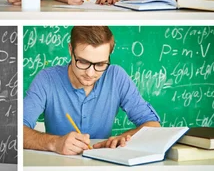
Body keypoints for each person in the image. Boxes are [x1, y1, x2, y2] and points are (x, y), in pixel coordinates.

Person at [23, 26, 161, 155]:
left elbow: (153, 125)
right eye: (83, 62)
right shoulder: (46, 79)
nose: (90, 73)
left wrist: (125, 137)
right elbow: (17, 130)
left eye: (100, 64)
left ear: (109, 55)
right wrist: (54, 143)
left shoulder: (116, 76)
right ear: (71, 50)